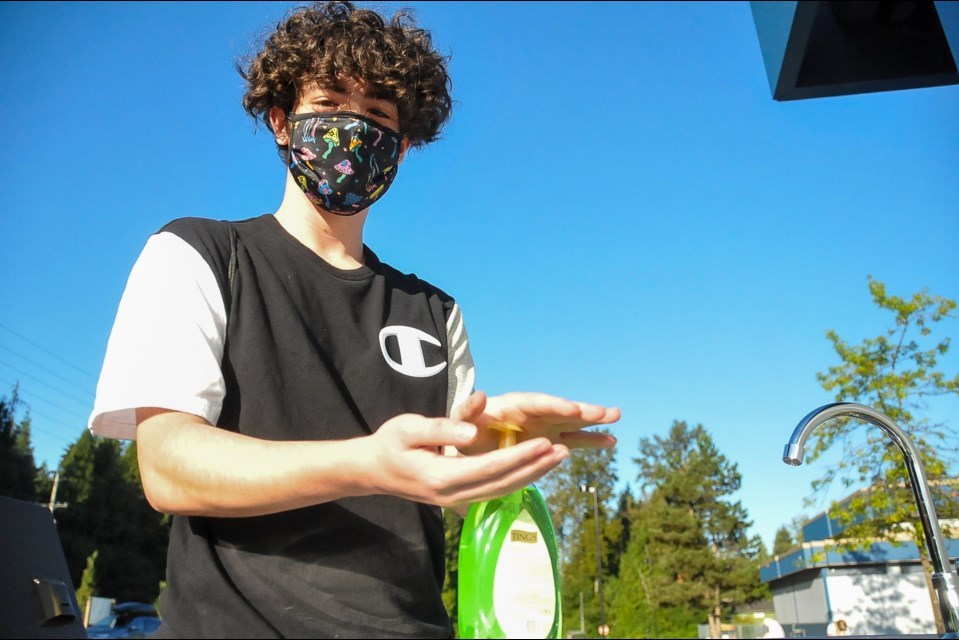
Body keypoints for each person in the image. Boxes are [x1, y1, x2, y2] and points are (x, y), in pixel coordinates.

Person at [88, 2, 619, 638]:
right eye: (331, 102)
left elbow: (441, 469)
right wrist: (362, 463)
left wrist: (497, 441)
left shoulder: (436, 311)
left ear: (404, 144)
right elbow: (169, 467)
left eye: (375, 114)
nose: (352, 127)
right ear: (282, 121)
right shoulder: (196, 254)